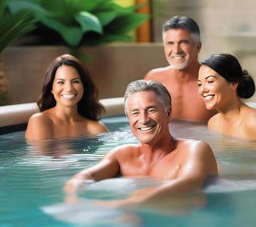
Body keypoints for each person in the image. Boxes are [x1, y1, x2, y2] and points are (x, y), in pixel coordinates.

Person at [64, 80, 218, 206]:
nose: (143, 119)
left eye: (151, 110)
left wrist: (130, 203)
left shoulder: (194, 149)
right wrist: (74, 198)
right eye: (135, 112)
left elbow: (190, 184)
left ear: (168, 113)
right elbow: (83, 177)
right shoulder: (121, 156)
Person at [144, 15, 216, 122]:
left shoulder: (215, 82)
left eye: (183, 42)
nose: (176, 50)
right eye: (170, 43)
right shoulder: (153, 80)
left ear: (198, 46)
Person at [25, 54, 108, 140]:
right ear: (51, 88)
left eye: (75, 81)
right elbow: (40, 154)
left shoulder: (96, 129)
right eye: (61, 82)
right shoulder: (40, 121)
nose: (69, 89)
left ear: (84, 86)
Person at [198, 53, 256, 140]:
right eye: (199, 84)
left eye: (210, 81)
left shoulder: (253, 122)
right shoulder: (213, 123)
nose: (203, 90)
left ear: (233, 83)